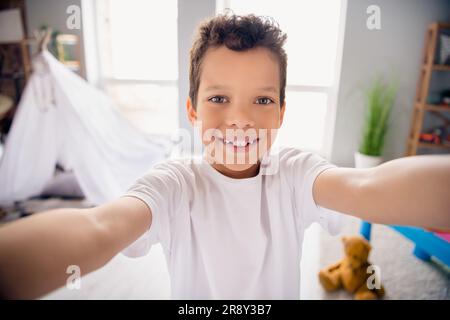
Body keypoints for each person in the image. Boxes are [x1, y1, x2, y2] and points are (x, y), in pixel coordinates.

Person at [0, 14, 449, 300]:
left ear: (281, 112)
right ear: (192, 109)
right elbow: (100, 227)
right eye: (218, 98)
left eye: (262, 101)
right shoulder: (173, 183)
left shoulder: (293, 172)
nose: (240, 120)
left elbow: (368, 186)